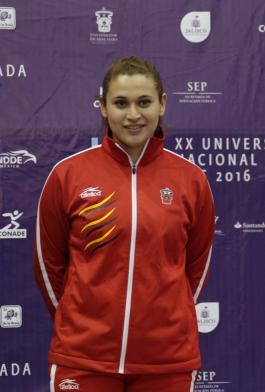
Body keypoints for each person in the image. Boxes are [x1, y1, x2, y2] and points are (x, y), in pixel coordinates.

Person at [34, 56, 215, 392]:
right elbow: (49, 266)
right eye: (120, 103)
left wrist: (165, 316)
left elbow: (196, 267)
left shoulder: (191, 180)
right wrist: (78, 321)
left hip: (167, 360)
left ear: (162, 104)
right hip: (84, 359)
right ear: (103, 108)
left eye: (144, 102)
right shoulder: (67, 175)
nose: (133, 115)